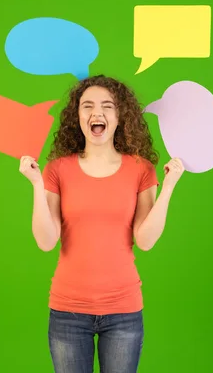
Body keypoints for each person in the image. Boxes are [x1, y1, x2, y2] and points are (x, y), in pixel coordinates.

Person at [19, 75, 185, 373]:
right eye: (88, 106)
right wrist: (35, 183)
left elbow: (145, 240)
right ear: (77, 116)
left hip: (123, 311)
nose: (97, 113)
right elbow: (46, 241)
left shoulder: (141, 169)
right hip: (68, 311)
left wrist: (169, 186)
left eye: (107, 106)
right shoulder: (58, 169)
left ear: (120, 116)